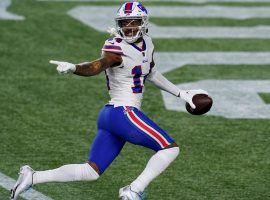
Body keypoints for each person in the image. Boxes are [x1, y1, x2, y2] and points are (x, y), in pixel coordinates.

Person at [10, 2, 207, 200]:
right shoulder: (115, 48)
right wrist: (74, 68)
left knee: (91, 171)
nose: (129, 27)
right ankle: (134, 190)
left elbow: (152, 74)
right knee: (170, 148)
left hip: (110, 116)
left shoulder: (147, 42)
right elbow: (96, 66)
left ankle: (33, 177)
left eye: (134, 22)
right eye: (124, 23)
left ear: (144, 23)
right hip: (123, 112)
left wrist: (181, 94)